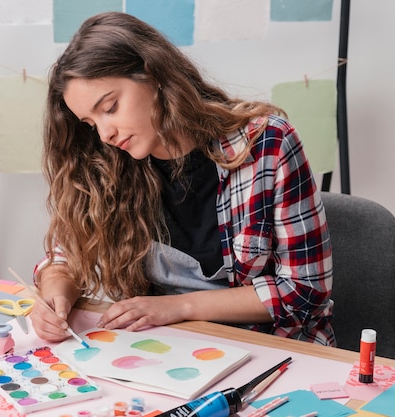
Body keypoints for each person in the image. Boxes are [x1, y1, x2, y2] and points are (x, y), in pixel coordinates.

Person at [32, 11, 335, 347]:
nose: (105, 133)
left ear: (152, 74)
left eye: (111, 107)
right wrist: (55, 293)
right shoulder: (110, 163)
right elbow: (67, 256)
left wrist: (177, 307)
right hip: (171, 352)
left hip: (274, 349)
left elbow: (304, 291)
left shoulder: (267, 145)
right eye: (90, 123)